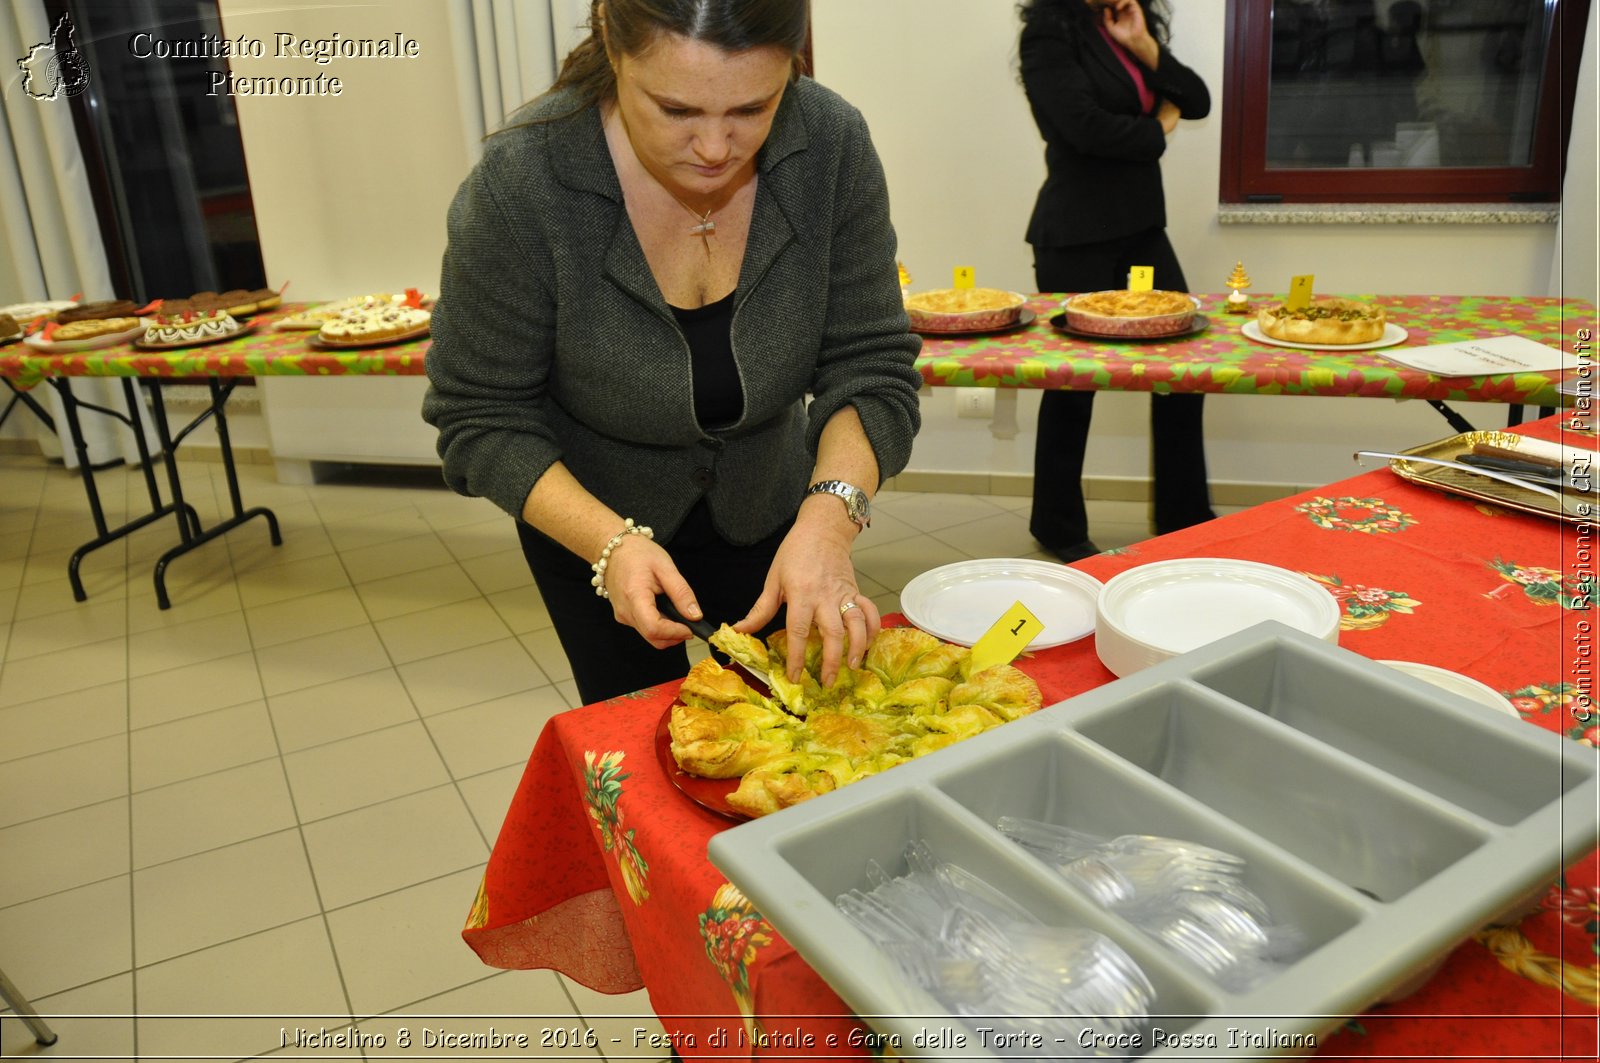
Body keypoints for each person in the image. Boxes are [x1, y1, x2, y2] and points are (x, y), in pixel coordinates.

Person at [422, 0, 922, 705]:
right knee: (642, 760)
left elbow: (870, 367)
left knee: (805, 738)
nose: (716, 148)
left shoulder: (829, 144)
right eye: (676, 110)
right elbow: (480, 415)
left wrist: (829, 523)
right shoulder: (524, 185)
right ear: (612, 45)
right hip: (592, 526)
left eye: (753, 108)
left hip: (777, 513)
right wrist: (607, 543)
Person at [1019, 0, 1215, 562]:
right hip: (1075, 233)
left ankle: (1183, 513)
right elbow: (1083, 129)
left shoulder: (1129, 25)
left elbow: (1196, 100)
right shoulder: (1046, 36)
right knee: (1072, 385)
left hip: (1142, 230)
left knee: (1182, 372)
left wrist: (1145, 47)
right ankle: (1056, 525)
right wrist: (1158, 125)